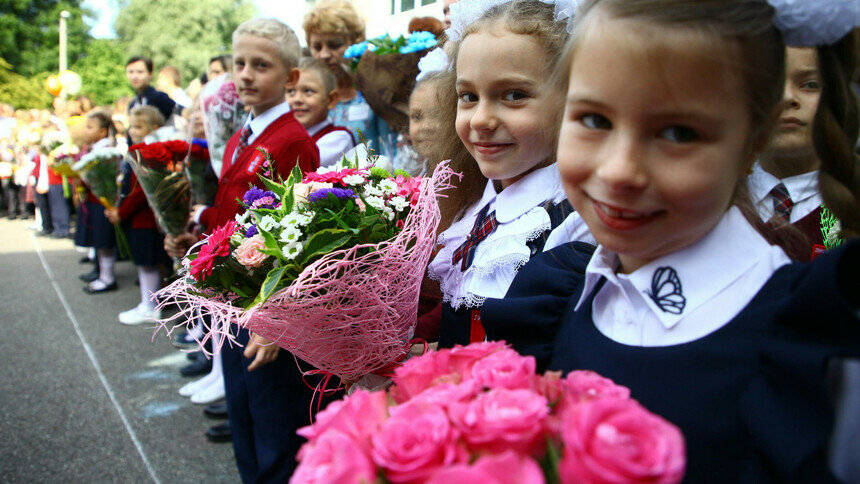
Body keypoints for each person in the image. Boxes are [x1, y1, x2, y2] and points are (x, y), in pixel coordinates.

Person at [490, 0, 858, 480]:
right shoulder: (553, 296)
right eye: (595, 120)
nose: (619, 171)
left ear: (753, 140)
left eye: (678, 133)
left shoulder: (809, 347)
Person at [166, 18, 319, 483]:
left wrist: (277, 319)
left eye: (262, 65)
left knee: (275, 425)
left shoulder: (293, 141)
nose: (247, 75)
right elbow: (232, 216)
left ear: (291, 78)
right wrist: (196, 233)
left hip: (265, 314)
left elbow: (299, 240)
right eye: (240, 64)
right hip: (231, 302)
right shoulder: (240, 137)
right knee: (243, 418)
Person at [425, 0, 593, 349]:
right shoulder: (471, 209)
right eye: (468, 96)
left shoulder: (576, 225)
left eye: (514, 95)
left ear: (573, 99)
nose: (481, 119)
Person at [105, 106, 171, 324]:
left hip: (145, 218)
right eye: (131, 126)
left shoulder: (149, 151)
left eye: (138, 126)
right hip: (142, 217)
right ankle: (149, 303)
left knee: (147, 263)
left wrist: (121, 212)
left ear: (154, 128)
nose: (132, 130)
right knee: (147, 263)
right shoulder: (141, 149)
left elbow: (140, 191)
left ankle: (151, 307)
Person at [302, 0, 396, 154]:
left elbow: (391, 154)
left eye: (334, 45)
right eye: (317, 47)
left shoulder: (375, 93)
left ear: (355, 42)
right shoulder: (302, 97)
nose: (324, 54)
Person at [287, 58, 355, 167]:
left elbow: (297, 167)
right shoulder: (285, 134)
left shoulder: (339, 138)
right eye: (290, 91)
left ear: (331, 99)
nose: (297, 99)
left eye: (308, 91)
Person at [80, 110, 119, 294]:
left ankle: (107, 278)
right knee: (99, 241)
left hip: (103, 201)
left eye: (90, 127)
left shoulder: (105, 151)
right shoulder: (95, 148)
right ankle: (102, 274)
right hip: (95, 199)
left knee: (104, 242)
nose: (86, 131)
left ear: (103, 131)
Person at [125, 56, 177, 123]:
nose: (135, 76)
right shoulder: (132, 104)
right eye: (131, 72)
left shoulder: (160, 98)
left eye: (140, 72)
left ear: (150, 74)